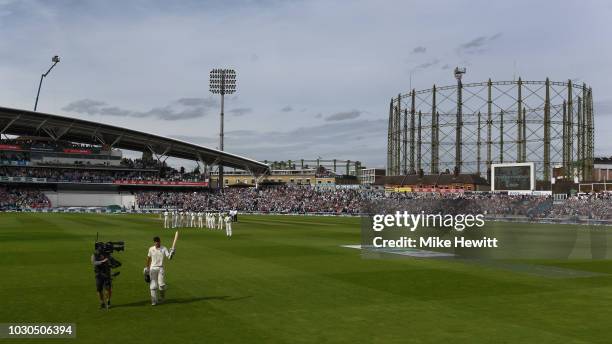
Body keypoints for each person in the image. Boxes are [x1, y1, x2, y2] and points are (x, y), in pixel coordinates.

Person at [145, 236, 175, 306]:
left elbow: (169, 257)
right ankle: (154, 301)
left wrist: (172, 253)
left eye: (158, 242)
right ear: (154, 242)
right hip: (153, 268)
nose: (157, 243)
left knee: (161, 285)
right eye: (155, 242)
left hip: (161, 268)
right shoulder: (151, 249)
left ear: (160, 242)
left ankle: (162, 298)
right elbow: (148, 258)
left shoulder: (164, 248)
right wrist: (147, 267)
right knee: (153, 286)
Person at [92, 244, 112, 309]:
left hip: (106, 274)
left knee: (108, 288)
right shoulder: (94, 255)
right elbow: (94, 262)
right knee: (99, 290)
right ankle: (102, 303)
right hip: (98, 274)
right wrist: (102, 261)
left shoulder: (107, 254)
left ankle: (108, 302)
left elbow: (111, 262)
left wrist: (109, 262)